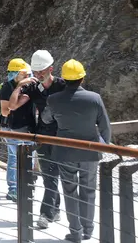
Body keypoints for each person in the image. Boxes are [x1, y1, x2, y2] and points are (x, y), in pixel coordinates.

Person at [47, 59, 110, 243]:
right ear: (82, 78)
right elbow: (105, 127)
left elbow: (46, 118)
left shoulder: (53, 99)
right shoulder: (94, 98)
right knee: (88, 189)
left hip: (65, 151)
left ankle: (75, 232)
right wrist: (103, 145)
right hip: (90, 151)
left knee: (69, 190)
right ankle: (88, 230)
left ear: (64, 79)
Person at [18, 50, 66, 228]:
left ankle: (50, 212)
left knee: (51, 175)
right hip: (42, 138)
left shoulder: (63, 86)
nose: (38, 75)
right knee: (49, 176)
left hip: (61, 138)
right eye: (36, 72)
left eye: (42, 72)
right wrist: (18, 84)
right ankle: (51, 212)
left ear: (51, 68)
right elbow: (13, 105)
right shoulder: (33, 87)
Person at [0, 58, 38, 202]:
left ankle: (22, 187)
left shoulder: (29, 86)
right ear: (16, 74)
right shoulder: (7, 87)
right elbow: (6, 110)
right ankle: (15, 189)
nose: (28, 77)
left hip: (27, 128)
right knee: (16, 158)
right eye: (24, 75)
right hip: (12, 127)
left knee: (21, 158)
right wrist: (19, 92)